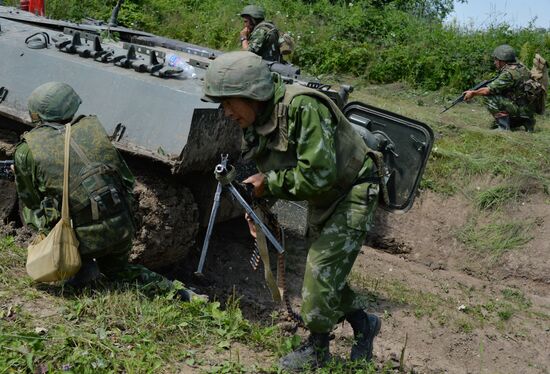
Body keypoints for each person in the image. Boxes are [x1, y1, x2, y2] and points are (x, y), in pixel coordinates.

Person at [203, 52, 381, 370]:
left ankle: (316, 349)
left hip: (351, 192)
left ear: (253, 94)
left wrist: (268, 183)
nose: (226, 112)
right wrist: (260, 208)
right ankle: (364, 323)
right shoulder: (255, 123)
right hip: (322, 196)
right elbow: (268, 168)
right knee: (327, 276)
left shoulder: (303, 108)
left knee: (318, 272)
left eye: (229, 102)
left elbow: (318, 175)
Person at [14, 82, 201, 301]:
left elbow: (32, 202)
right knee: (120, 270)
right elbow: (126, 179)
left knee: (40, 213)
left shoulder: (27, 150)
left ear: (36, 114)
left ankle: (81, 268)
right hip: (120, 228)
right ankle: (181, 293)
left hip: (77, 241)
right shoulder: (93, 129)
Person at [464, 44, 535, 132]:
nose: (494, 62)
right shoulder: (522, 68)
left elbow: (488, 91)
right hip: (528, 109)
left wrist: (473, 93)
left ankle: (503, 127)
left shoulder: (508, 74)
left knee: (489, 97)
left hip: (519, 109)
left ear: (502, 61)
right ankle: (527, 121)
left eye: (496, 59)